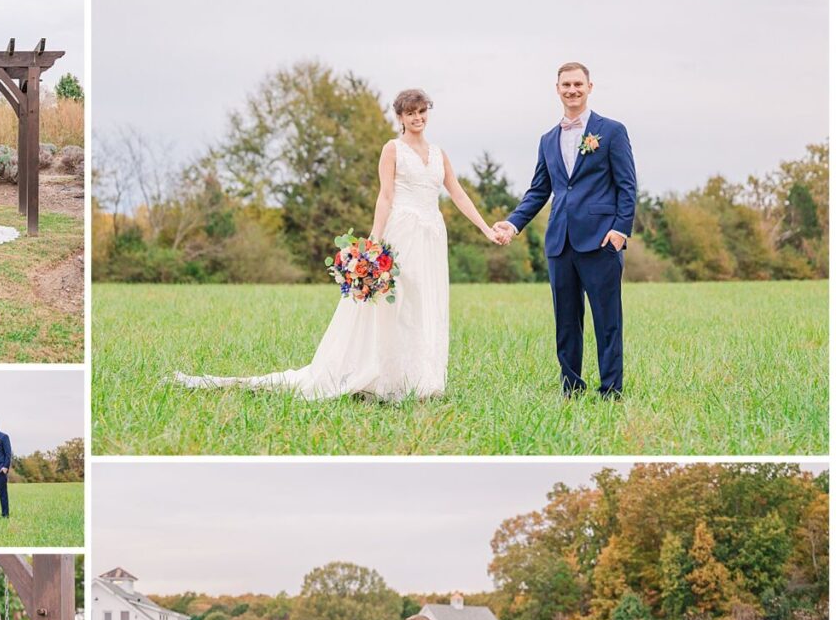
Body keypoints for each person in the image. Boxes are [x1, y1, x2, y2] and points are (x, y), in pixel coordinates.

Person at [175, 89, 500, 401]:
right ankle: (385, 378)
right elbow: (385, 195)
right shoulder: (392, 149)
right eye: (410, 113)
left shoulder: (439, 154)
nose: (417, 118)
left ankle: (420, 379)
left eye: (422, 111)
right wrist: (375, 239)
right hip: (402, 232)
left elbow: (457, 193)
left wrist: (485, 228)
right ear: (400, 116)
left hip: (432, 235)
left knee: (424, 302)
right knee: (397, 304)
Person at [494, 62, 636, 398]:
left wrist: (620, 230)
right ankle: (571, 388)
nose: (572, 90)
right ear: (557, 89)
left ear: (589, 87)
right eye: (565, 85)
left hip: (602, 240)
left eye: (578, 84)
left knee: (607, 321)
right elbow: (539, 190)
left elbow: (627, 186)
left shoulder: (612, 131)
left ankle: (611, 390)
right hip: (560, 242)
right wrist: (513, 224)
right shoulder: (547, 139)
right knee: (566, 323)